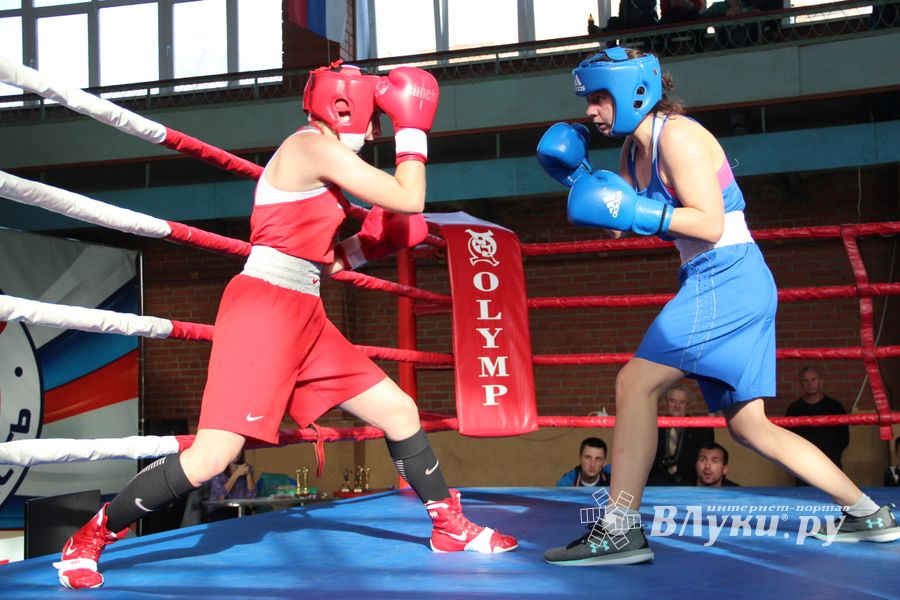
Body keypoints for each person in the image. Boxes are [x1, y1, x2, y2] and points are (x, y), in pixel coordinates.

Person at [53, 61, 516, 590]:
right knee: (212, 457)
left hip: (305, 310)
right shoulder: (309, 148)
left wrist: (370, 246)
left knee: (398, 410)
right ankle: (90, 535)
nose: (374, 132)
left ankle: (447, 527)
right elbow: (410, 198)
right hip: (265, 311)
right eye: (374, 121)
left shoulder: (324, 159)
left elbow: (324, 262)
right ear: (346, 108)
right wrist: (414, 130)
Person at [536, 46, 900, 566]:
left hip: (726, 272)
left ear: (633, 91)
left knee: (634, 382)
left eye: (599, 98)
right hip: (720, 278)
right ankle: (868, 513)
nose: (590, 112)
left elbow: (707, 222)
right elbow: (621, 221)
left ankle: (619, 531)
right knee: (751, 426)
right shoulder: (631, 153)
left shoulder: (679, 137)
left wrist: (640, 208)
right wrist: (575, 180)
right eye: (588, 100)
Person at [785, 366, 850, 478]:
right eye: (806, 381)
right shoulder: (794, 409)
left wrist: (830, 454)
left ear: (820, 381)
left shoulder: (835, 407)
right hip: (803, 466)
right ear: (801, 384)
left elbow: (844, 439)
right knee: (804, 495)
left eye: (813, 380)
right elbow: (788, 439)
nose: (810, 384)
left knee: (833, 494)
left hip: (831, 464)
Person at [648, 384, 714, 485]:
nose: (677, 406)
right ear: (667, 403)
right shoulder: (653, 427)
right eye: (673, 401)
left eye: (682, 402)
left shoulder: (702, 430)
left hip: (689, 485)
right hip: (657, 486)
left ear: (688, 405)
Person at [206, 451, 258, 521]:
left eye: (239, 450)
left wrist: (249, 475)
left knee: (248, 513)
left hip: (240, 508)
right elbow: (220, 496)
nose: (236, 453)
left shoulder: (245, 467)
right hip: (219, 509)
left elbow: (252, 496)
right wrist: (236, 474)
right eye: (234, 449)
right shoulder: (218, 469)